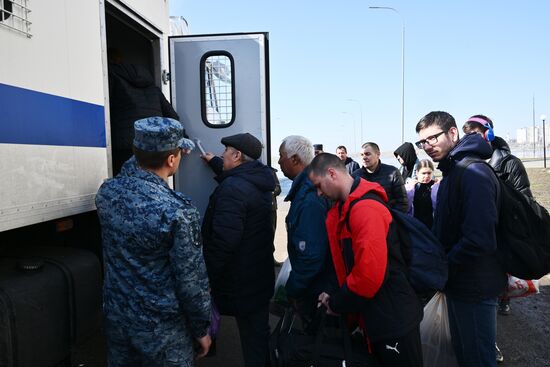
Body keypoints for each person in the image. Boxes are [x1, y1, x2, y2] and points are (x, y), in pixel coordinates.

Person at [95, 117, 211, 366]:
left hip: (119, 321)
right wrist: (201, 329)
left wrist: (146, 152)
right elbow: (190, 282)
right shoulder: (177, 211)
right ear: (172, 159)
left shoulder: (107, 194)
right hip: (162, 331)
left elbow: (134, 167)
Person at [309, 153, 423, 367]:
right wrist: (334, 292)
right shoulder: (345, 207)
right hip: (376, 315)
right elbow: (346, 263)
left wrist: (337, 302)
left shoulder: (365, 210)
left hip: (393, 318)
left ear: (332, 173)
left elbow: (367, 276)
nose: (318, 193)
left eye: (318, 185)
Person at [415, 111, 507, 367]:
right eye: (422, 142)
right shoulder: (453, 172)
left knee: (477, 358)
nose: (427, 147)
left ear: (453, 133)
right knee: (464, 355)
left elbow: (479, 238)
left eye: (432, 138)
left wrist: (443, 264)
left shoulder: (473, 173)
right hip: (458, 283)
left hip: (475, 286)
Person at [462, 114, 535, 364]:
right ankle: (488, 340)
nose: (471, 137)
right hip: (482, 234)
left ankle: (489, 343)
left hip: (502, 234)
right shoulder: (466, 163)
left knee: (491, 292)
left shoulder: (509, 163)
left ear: (489, 134)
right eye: (466, 133)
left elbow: (525, 199)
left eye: (475, 132)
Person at [200, 133, 276, 367]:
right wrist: (215, 163)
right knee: (257, 339)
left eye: (226, 151)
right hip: (257, 277)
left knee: (253, 345)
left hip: (240, 280)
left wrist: (208, 277)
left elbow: (224, 241)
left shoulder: (233, 189)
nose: (222, 155)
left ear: (237, 155)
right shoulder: (260, 181)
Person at [278, 135, 332, 323]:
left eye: (281, 156)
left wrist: (293, 289)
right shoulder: (306, 188)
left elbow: (311, 255)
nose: (278, 162)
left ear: (294, 159)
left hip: (313, 290)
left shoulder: (309, 198)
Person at [108, 50, 181, 175]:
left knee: (126, 184)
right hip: (154, 146)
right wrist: (180, 140)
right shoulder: (152, 87)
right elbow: (173, 116)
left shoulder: (112, 79)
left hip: (124, 145)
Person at [352, 142, 408, 212]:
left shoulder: (393, 172)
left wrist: (392, 220)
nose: (364, 157)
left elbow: (402, 202)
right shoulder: (355, 176)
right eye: (362, 155)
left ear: (378, 154)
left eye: (367, 154)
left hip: (388, 219)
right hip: (364, 219)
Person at [405, 159, 439, 229]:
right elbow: (405, 208)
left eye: (429, 173)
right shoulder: (410, 188)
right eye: (423, 173)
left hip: (433, 226)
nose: (426, 176)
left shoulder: (437, 186)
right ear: (417, 173)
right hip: (414, 226)